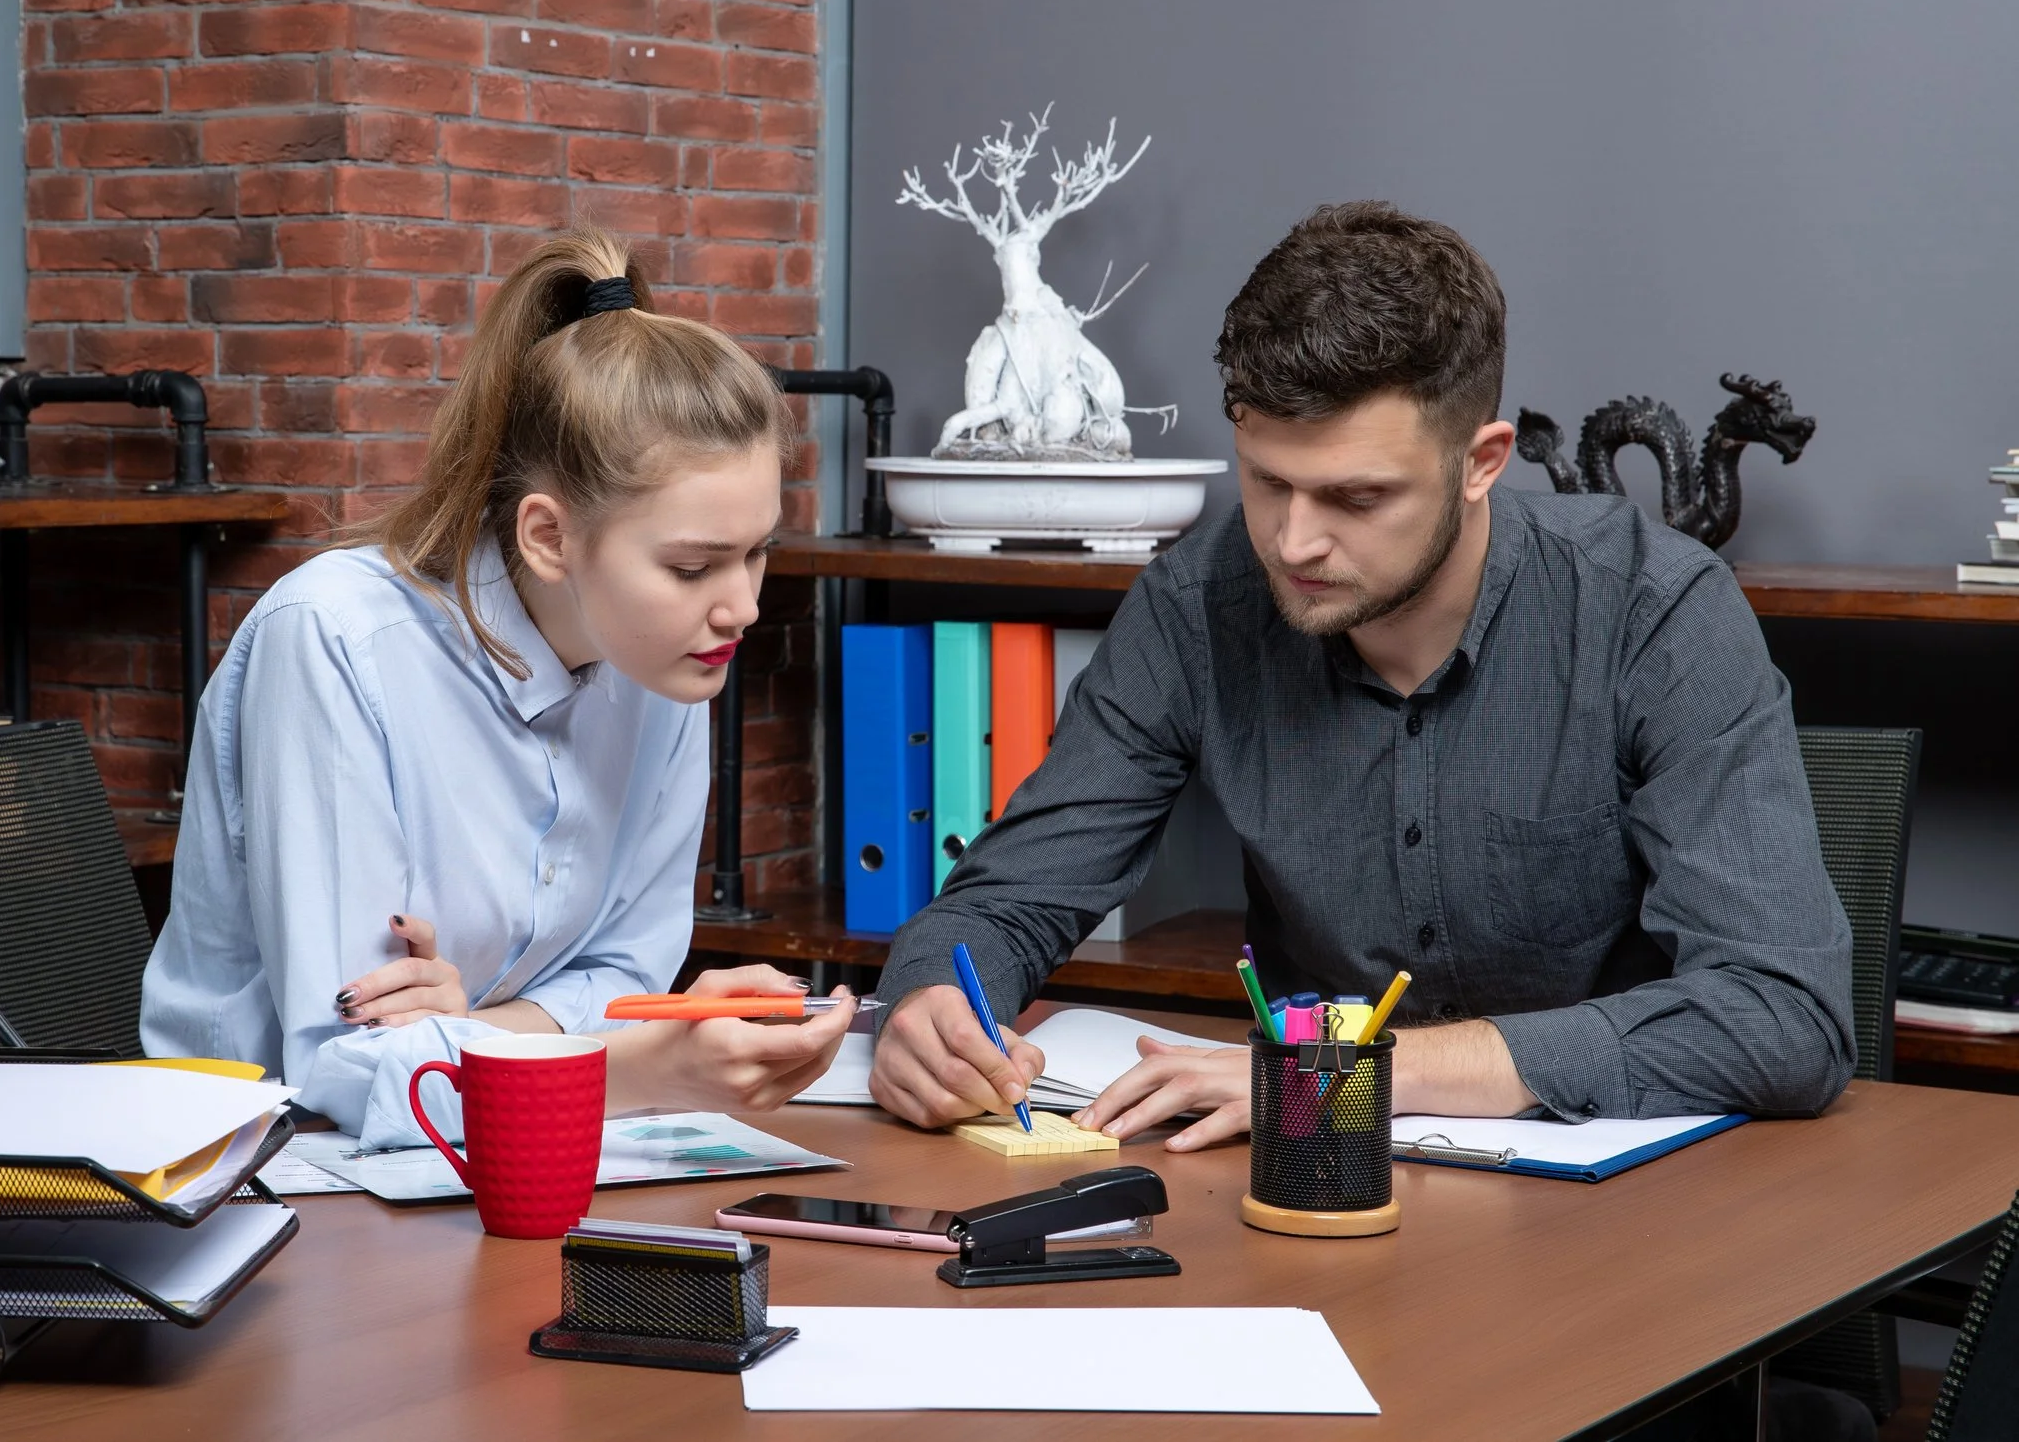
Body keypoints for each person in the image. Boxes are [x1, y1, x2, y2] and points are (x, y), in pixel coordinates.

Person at [869, 200, 1856, 1151]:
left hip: (1630, 1212)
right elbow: (1002, 901)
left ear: (1481, 461)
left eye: (1354, 496)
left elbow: (1782, 1014)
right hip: (1315, 1190)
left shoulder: (1653, 609)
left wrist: (1361, 1067)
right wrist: (931, 1006)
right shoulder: (1193, 606)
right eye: (1266, 481)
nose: (1293, 540)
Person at [141, 228, 853, 1144]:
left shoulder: (664, 657)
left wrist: (477, 1026)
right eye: (692, 566)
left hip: (468, 1157)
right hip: (259, 1171)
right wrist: (638, 1068)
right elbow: (342, 1064)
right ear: (549, 537)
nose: (740, 607)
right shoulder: (334, 640)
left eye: (757, 552)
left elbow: (624, 975)